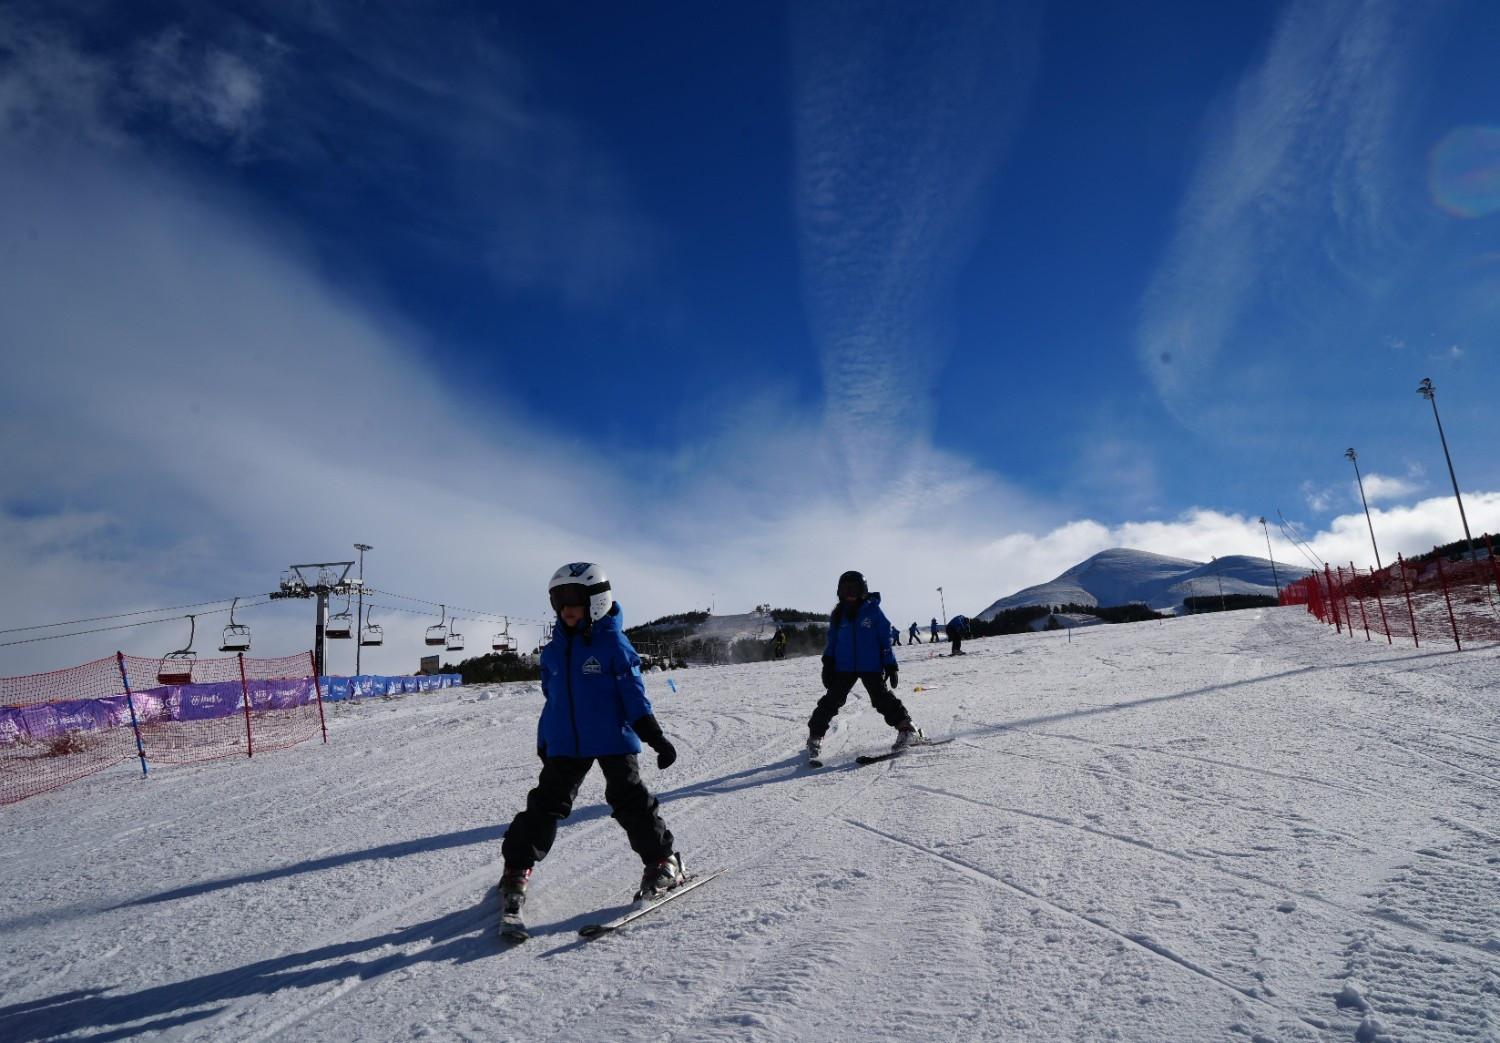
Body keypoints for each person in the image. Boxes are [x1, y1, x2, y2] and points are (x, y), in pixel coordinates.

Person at [499, 563, 685, 928]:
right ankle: (517, 867)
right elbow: (552, 700)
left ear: (597, 601)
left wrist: (655, 736)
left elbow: (634, 696)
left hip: (613, 738)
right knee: (545, 804)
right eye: (559, 600)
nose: (567, 608)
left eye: (575, 600)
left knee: (629, 799)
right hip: (567, 741)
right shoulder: (553, 650)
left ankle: (663, 862)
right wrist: (545, 739)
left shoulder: (613, 644)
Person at [806, 570, 920, 764]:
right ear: (839, 592)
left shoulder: (873, 610)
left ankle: (907, 729)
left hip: (871, 664)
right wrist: (828, 662)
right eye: (846, 589)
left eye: (855, 589)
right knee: (831, 700)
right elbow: (832, 640)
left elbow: (885, 639)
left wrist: (890, 664)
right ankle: (815, 736)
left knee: (881, 698)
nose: (850, 593)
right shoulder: (838, 614)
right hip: (844, 666)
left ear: (863, 590)